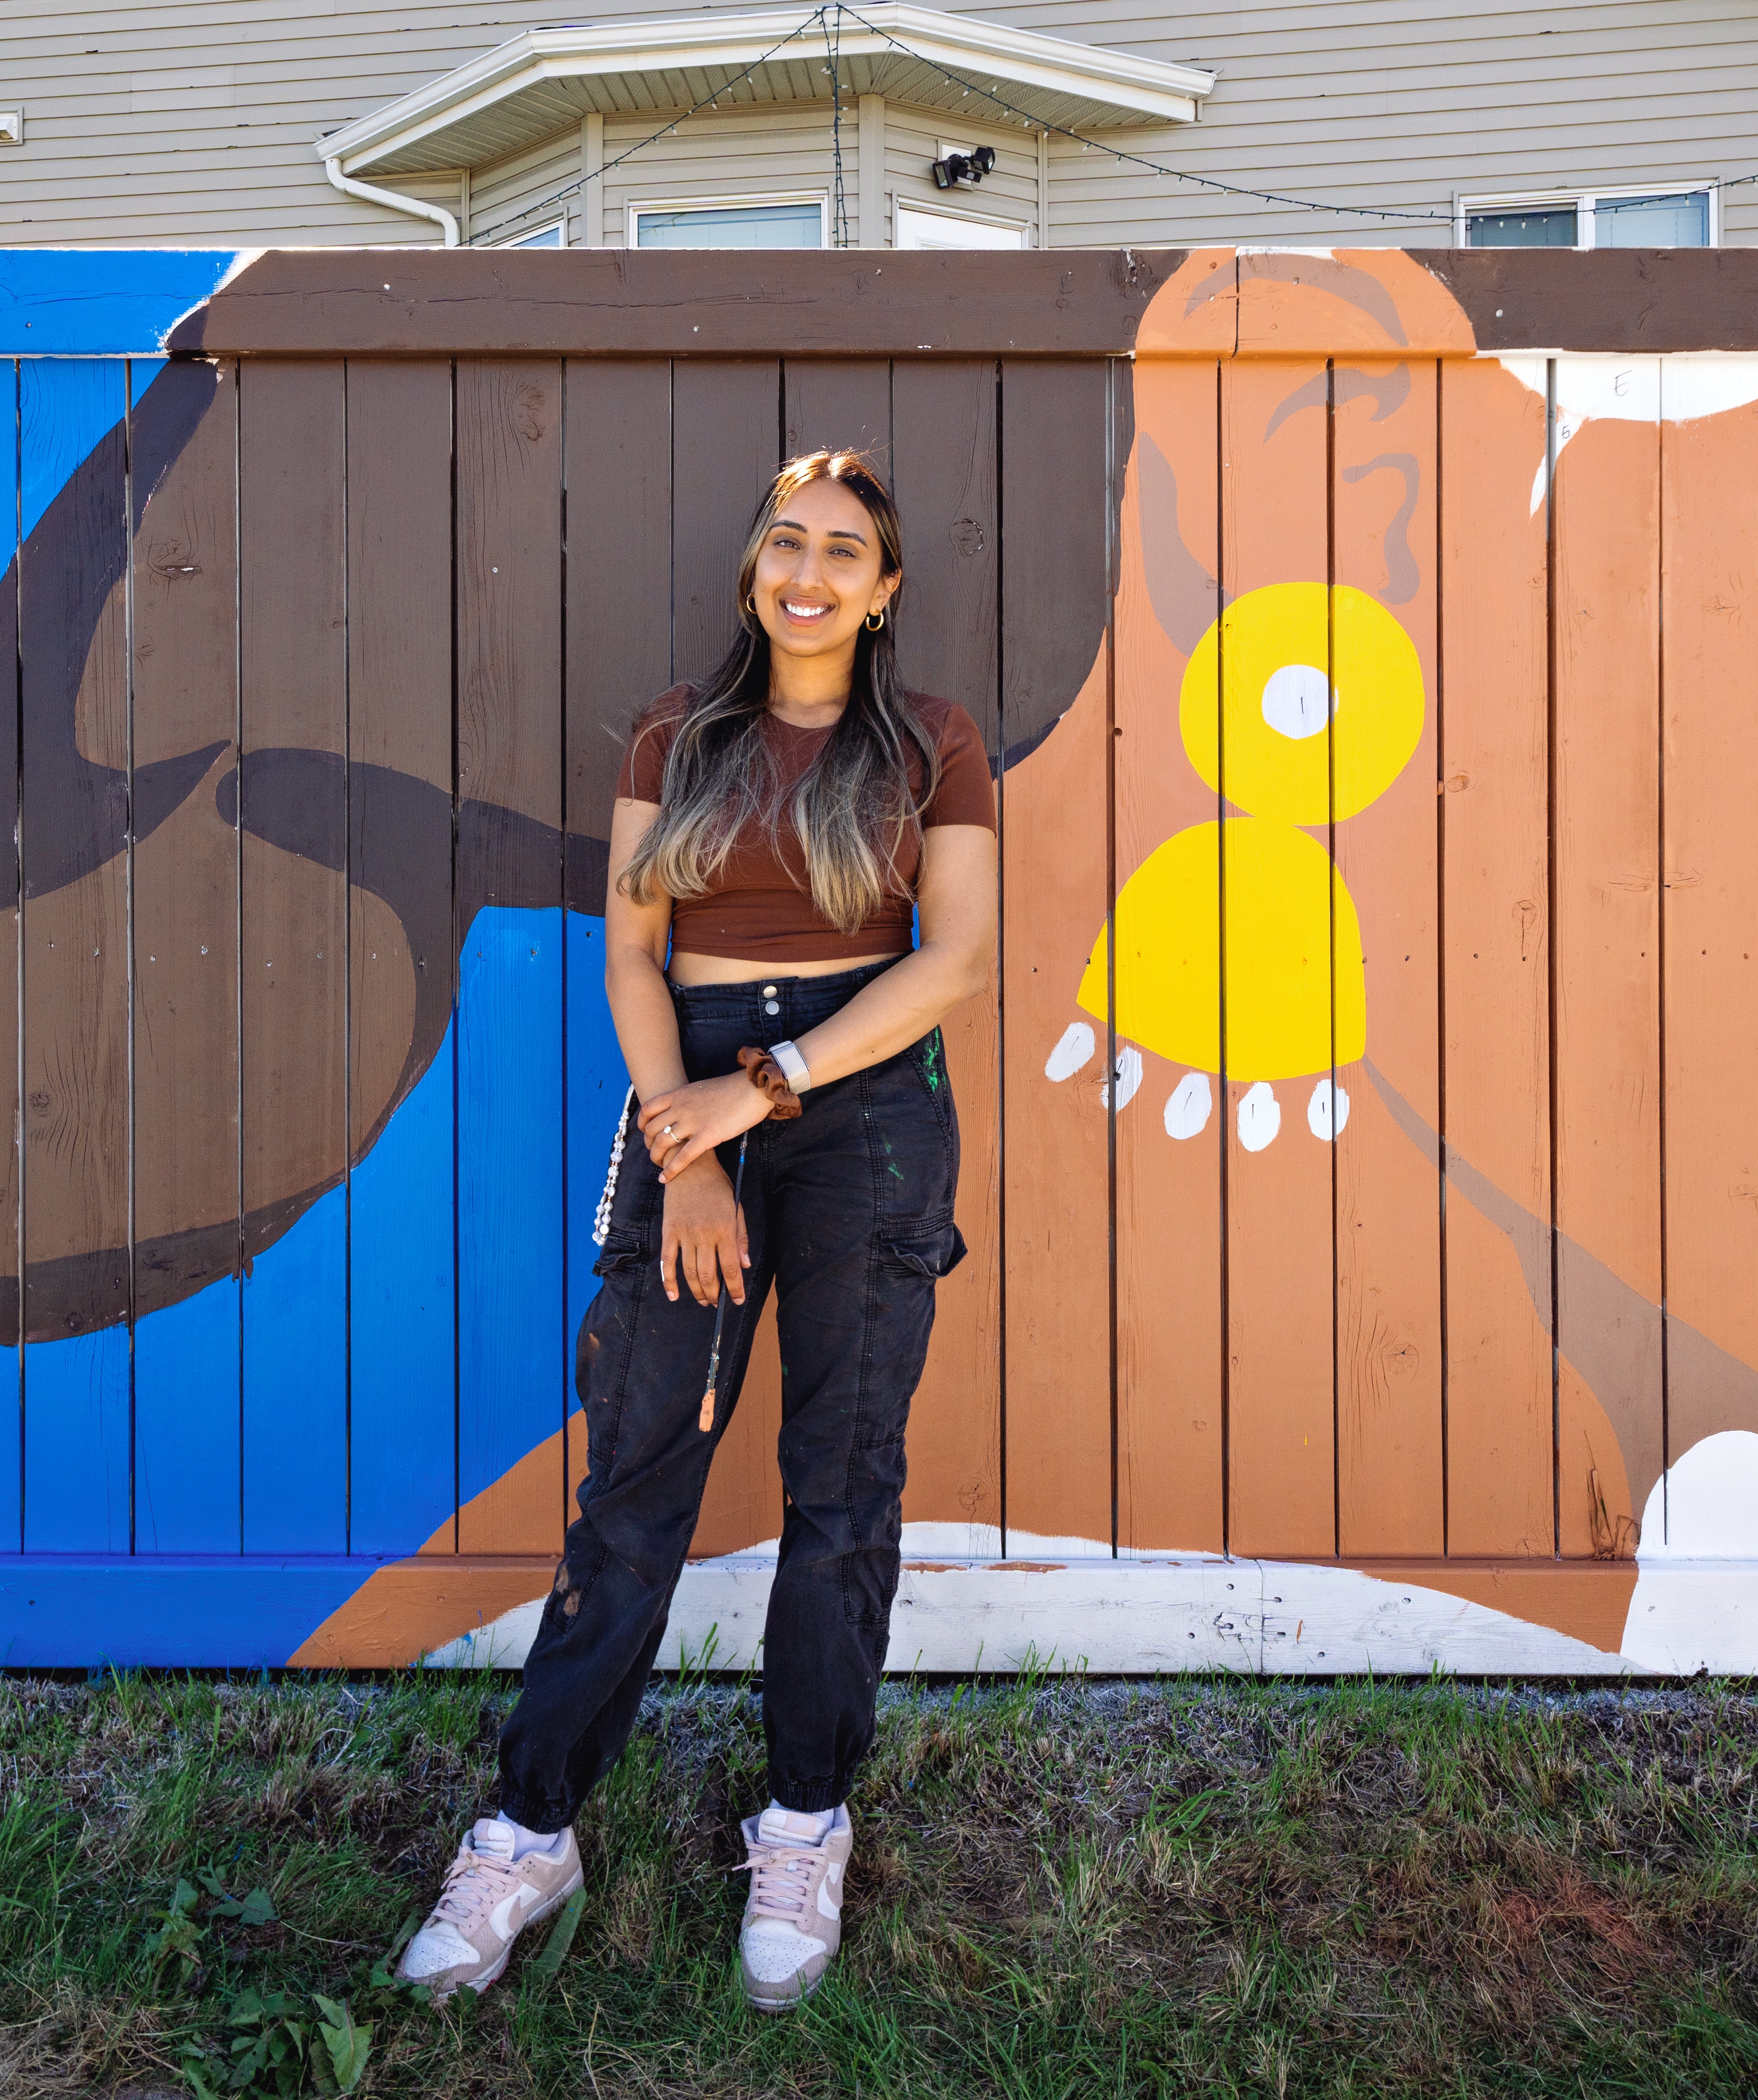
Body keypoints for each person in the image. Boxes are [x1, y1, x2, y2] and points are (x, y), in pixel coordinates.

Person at [395, 450, 997, 2012]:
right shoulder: (683, 731)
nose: (809, 570)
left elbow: (957, 962)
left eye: (844, 549)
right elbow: (634, 954)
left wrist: (771, 1091)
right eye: (785, 542)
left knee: (841, 1483)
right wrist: (691, 1141)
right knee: (637, 1473)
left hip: (864, 1107)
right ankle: (529, 1832)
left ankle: (804, 1818)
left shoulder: (933, 740)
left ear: (885, 592)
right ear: (752, 571)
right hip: (690, 1106)